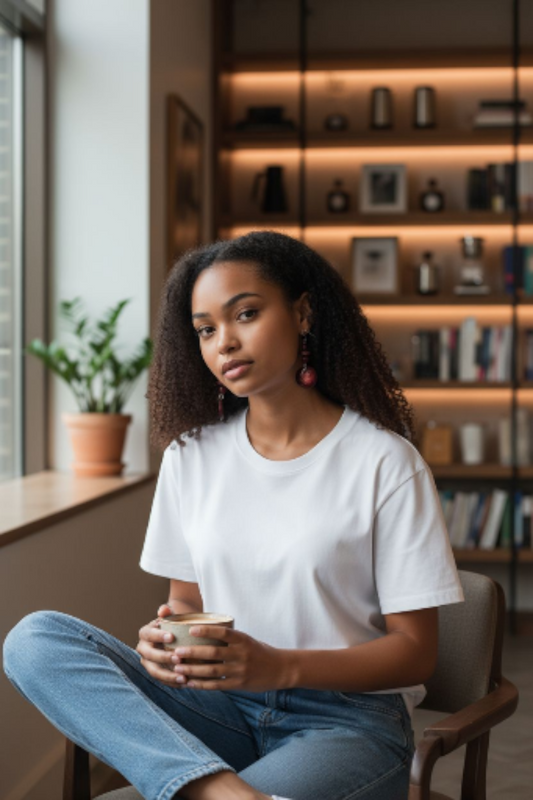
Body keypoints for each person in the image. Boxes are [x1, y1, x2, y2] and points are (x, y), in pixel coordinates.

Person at [3, 231, 464, 800]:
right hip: (220, 711)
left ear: (302, 313)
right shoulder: (190, 456)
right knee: (35, 639)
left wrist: (279, 668)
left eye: (245, 313)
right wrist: (165, 642)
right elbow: (189, 606)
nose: (225, 342)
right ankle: (221, 792)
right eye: (205, 329)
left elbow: (415, 652)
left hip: (346, 724)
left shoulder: (385, 462)